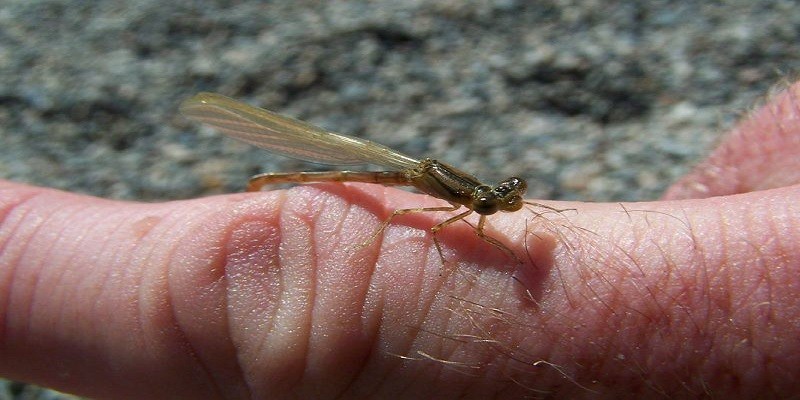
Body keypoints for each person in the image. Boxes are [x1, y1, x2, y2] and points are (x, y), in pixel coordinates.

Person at [0, 83, 798, 399]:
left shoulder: (482, 202)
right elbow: (459, 216)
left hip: (406, 176)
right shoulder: (457, 197)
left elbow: (485, 214)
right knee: (294, 198)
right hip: (374, 170)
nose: (506, 203)